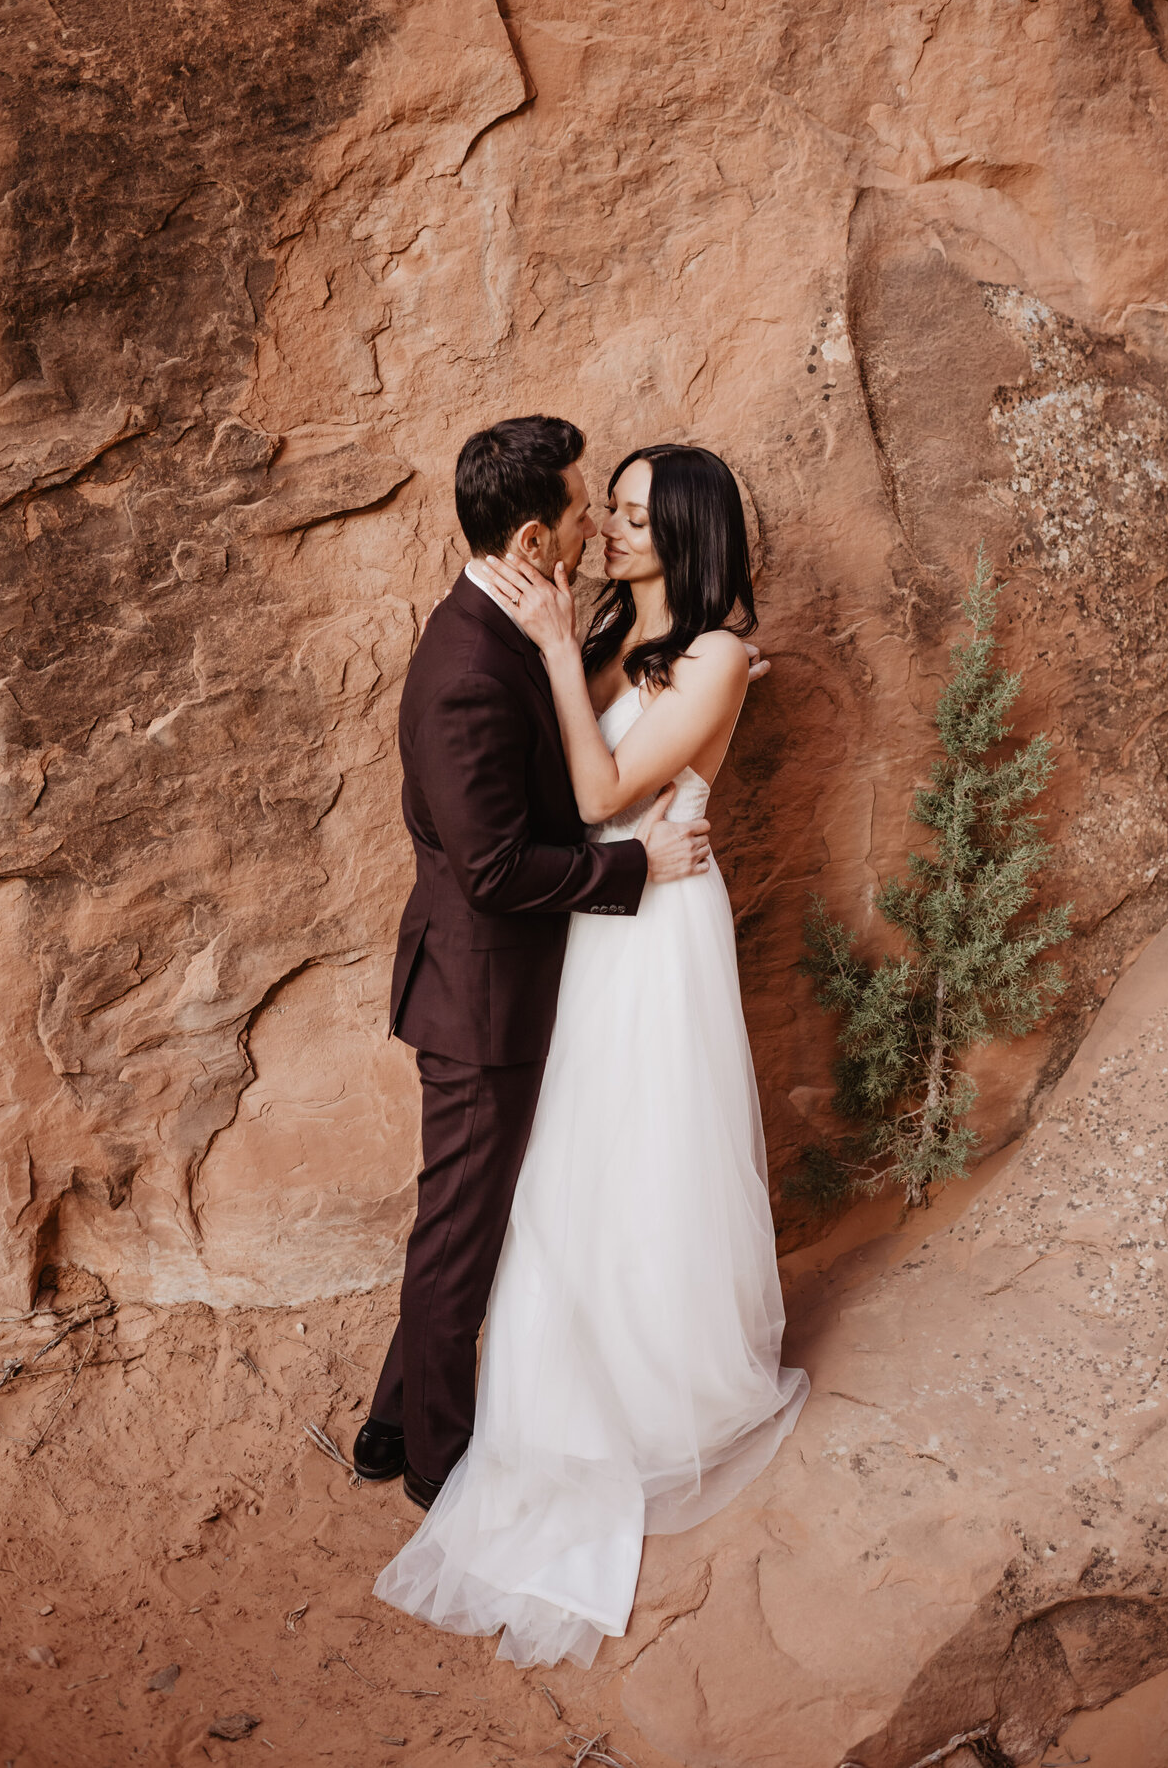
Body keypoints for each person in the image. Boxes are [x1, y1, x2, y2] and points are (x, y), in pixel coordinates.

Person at [371, 441, 809, 1667]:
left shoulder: (708, 652)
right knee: (552, 1168)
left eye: (633, 514)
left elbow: (605, 776)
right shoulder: (611, 621)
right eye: (603, 508)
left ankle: (636, 1385)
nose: (610, 529)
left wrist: (578, 659)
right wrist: (574, 646)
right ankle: (430, 1420)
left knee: (634, 1154)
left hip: (649, 919)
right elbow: (553, 784)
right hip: (588, 914)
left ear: (690, 530)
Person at [353, 417, 714, 1511]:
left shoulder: (518, 623)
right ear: (532, 536)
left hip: (508, 983)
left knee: (460, 1221)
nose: (596, 524)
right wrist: (632, 865)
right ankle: (435, 1468)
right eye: (580, 510)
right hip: (481, 994)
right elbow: (496, 871)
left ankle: (384, 1428)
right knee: (461, 1240)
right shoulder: (467, 665)